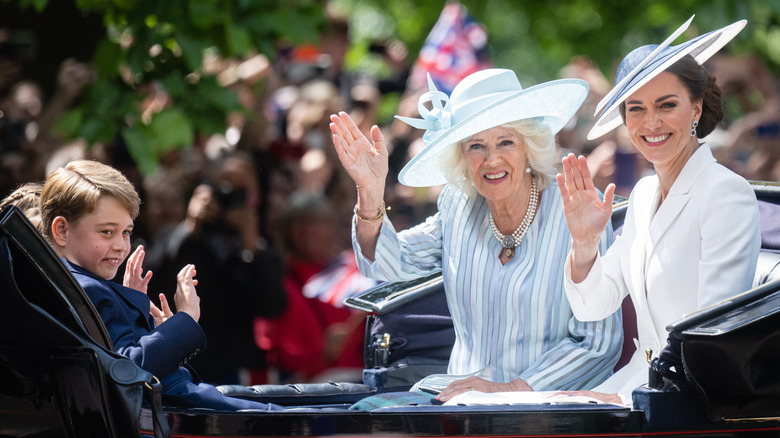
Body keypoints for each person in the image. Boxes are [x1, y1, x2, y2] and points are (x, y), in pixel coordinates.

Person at [329, 68, 623, 403]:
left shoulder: (577, 209)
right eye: (476, 145)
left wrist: (511, 391)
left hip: (553, 408)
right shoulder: (458, 206)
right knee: (365, 413)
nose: (491, 159)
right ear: (461, 157)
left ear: (529, 147)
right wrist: (369, 192)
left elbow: (599, 343)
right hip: (460, 402)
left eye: (506, 142)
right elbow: (387, 265)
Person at [557, 17, 761, 406]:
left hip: (690, 398)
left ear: (696, 108)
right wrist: (584, 244)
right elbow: (593, 306)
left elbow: (709, 335)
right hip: (639, 383)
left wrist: (626, 400)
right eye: (635, 109)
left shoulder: (724, 192)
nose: (650, 123)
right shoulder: (644, 194)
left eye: (667, 105)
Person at [40, 159, 280, 411]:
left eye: (126, 232)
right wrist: (186, 317)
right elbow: (128, 372)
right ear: (62, 231)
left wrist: (141, 315)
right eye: (107, 232)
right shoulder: (87, 290)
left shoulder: (69, 283)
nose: (121, 245)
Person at [145, 152, 287, 385]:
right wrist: (190, 227)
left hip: (235, 372)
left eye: (242, 190)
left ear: (257, 196)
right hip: (185, 367)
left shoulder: (260, 247)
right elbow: (155, 283)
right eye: (224, 187)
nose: (231, 195)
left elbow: (273, 306)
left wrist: (251, 246)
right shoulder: (178, 237)